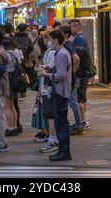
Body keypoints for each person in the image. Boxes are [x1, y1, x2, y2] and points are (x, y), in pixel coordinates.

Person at [39, 29, 72, 161]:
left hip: (60, 91)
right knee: (60, 121)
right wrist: (50, 68)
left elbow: (61, 75)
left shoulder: (60, 54)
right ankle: (62, 150)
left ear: (56, 40)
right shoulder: (61, 53)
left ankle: (64, 151)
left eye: (50, 39)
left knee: (61, 122)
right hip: (60, 91)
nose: (49, 42)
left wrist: (46, 74)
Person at [61, 26, 83, 135]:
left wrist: (72, 72)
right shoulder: (66, 45)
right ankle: (78, 124)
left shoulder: (68, 45)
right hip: (73, 77)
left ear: (65, 34)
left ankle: (79, 125)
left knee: (73, 101)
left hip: (73, 78)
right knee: (73, 100)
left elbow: (76, 58)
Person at [38, 35, 59, 153]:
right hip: (47, 88)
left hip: (49, 88)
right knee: (50, 114)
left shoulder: (53, 52)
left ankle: (53, 139)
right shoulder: (51, 52)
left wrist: (44, 71)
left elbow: (53, 69)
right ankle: (54, 138)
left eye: (48, 38)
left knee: (51, 115)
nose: (46, 41)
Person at [70, 20, 91, 130]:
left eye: (71, 27)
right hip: (83, 73)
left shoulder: (79, 40)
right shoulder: (80, 38)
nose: (70, 30)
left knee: (79, 98)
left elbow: (77, 58)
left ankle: (83, 121)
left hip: (81, 74)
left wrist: (73, 71)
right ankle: (83, 120)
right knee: (82, 98)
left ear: (76, 27)